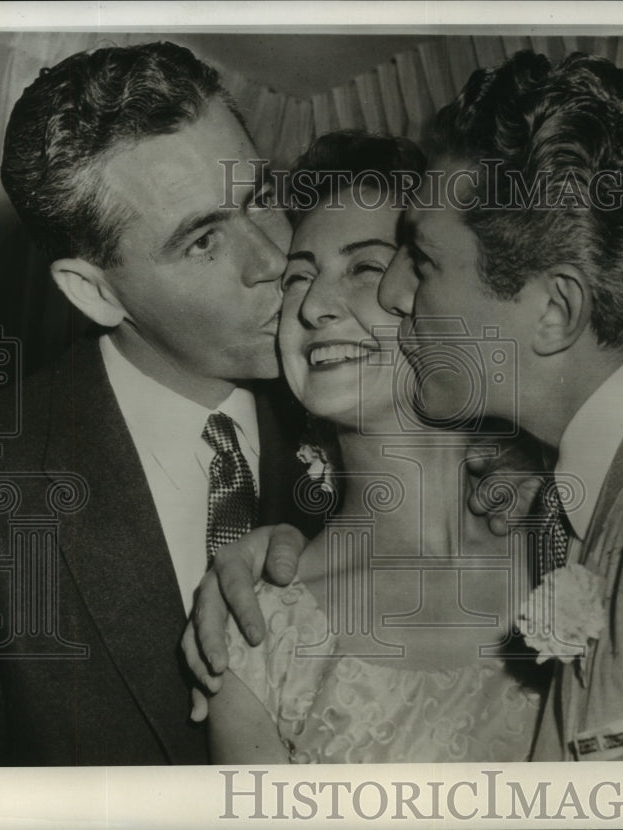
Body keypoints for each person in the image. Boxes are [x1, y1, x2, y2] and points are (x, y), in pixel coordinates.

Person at [195, 50, 623, 761]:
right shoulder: (603, 484)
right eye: (300, 278)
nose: (393, 293)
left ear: (556, 309)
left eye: (413, 261)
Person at [0, 41, 314, 766]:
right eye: (202, 241)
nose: (272, 261)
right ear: (93, 291)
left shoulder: (373, 411)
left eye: (260, 200)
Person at [207, 131, 546, 764]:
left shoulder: (574, 535)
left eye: (365, 268)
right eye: (297, 279)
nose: (313, 307)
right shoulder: (261, 627)